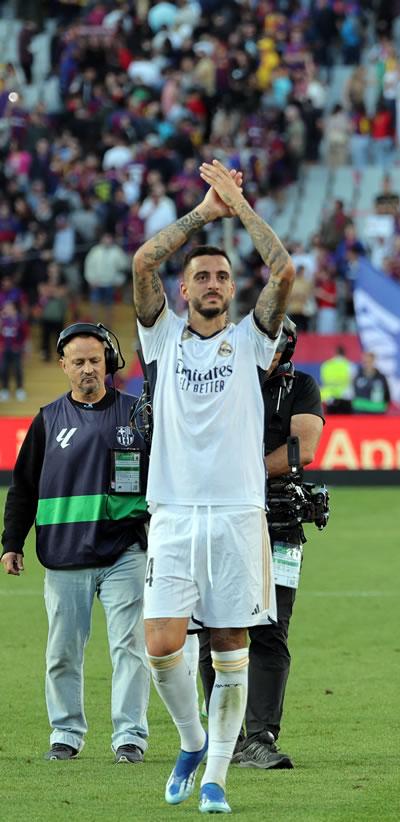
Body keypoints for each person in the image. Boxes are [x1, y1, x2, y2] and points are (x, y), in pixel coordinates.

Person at [131, 159, 295, 814]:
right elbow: (145, 262)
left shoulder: (253, 339)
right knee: (162, 646)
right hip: (171, 512)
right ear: (184, 289)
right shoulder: (162, 337)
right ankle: (193, 742)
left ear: (231, 290)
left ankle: (218, 777)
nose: (212, 282)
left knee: (231, 647)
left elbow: (282, 272)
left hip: (236, 514)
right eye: (201, 274)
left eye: (222, 275)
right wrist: (207, 210)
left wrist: (241, 208)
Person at [1, 323, 150, 763]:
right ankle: (65, 733)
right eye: (79, 362)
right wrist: (12, 542)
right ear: (63, 365)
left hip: (126, 551)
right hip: (65, 554)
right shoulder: (47, 419)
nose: (88, 369)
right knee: (63, 651)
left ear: (109, 364)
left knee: (130, 648)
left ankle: (130, 738)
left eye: (95, 361)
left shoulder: (139, 412)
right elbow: (23, 487)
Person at [197, 317, 325, 770]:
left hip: (280, 522)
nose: (265, 355)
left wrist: (236, 470)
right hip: (219, 521)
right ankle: (224, 737)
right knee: (213, 629)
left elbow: (302, 449)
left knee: (272, 628)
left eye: (273, 347)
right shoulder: (217, 379)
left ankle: (261, 737)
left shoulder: (301, 387)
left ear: (286, 350)